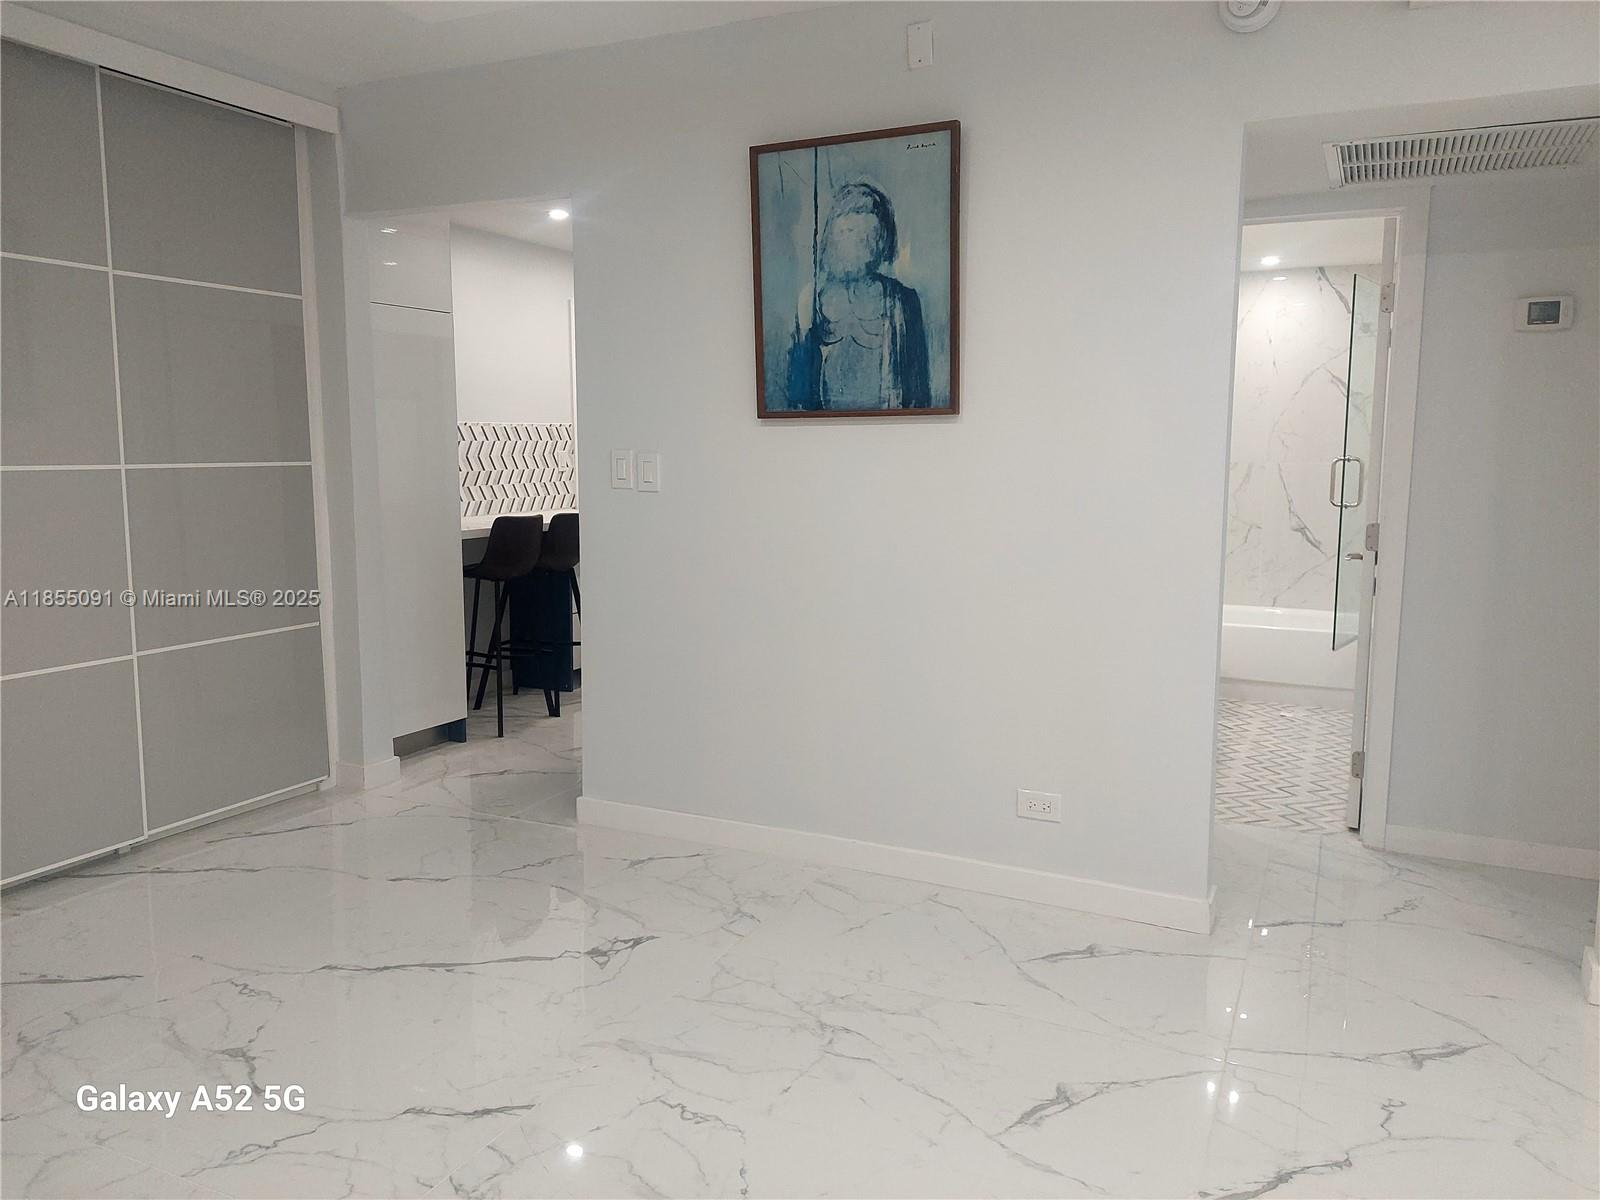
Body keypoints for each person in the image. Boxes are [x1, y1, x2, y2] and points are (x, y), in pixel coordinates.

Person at [785, 182, 932, 410]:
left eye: (866, 238)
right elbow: (798, 396)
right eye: (845, 233)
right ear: (832, 238)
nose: (854, 244)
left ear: (882, 240)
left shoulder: (903, 301)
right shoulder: (811, 300)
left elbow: (918, 396)